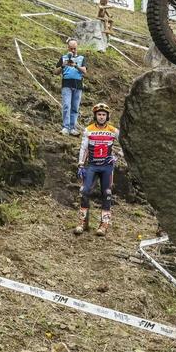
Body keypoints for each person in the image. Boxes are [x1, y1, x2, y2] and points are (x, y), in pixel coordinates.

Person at [75, 103, 123, 237]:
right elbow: (83, 148)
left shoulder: (113, 130)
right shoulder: (88, 130)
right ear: (95, 116)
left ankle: (104, 224)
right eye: (99, 114)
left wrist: (116, 157)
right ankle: (83, 221)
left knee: (107, 193)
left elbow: (126, 144)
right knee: (84, 191)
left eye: (103, 115)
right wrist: (80, 164)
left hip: (107, 167)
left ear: (107, 116)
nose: (101, 117)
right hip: (92, 166)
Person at [56, 38, 86, 136]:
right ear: (68, 48)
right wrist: (63, 66)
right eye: (71, 49)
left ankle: (72, 127)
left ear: (77, 48)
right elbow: (55, 72)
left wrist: (75, 65)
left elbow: (84, 71)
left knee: (75, 107)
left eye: (75, 49)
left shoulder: (81, 58)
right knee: (66, 105)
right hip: (66, 84)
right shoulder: (63, 57)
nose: (73, 51)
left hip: (78, 85)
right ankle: (65, 127)